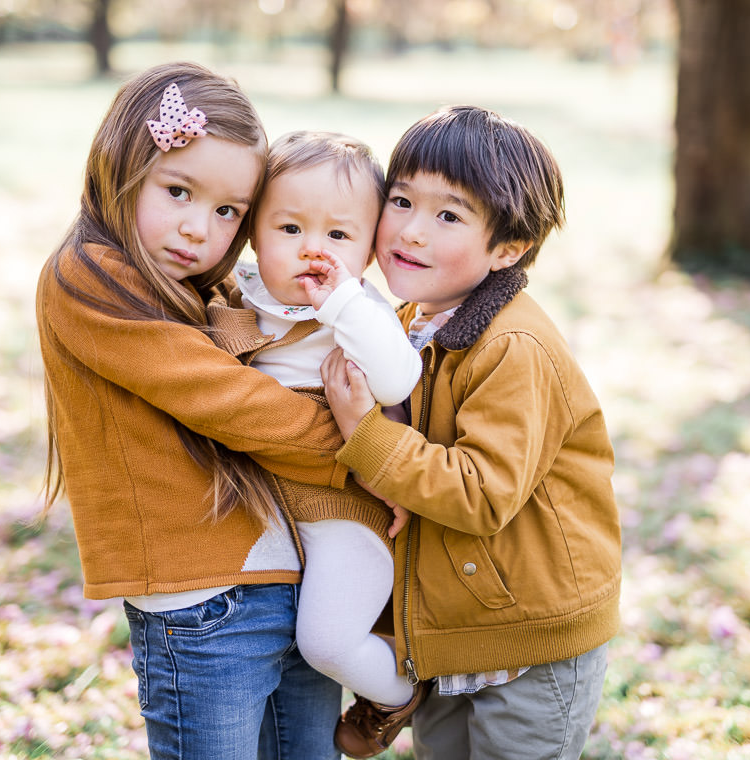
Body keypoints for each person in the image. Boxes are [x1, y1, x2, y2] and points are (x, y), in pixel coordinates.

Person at [35, 62, 347, 760]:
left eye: (228, 211)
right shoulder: (87, 275)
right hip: (199, 605)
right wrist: (369, 451)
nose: (198, 228)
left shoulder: (214, 291)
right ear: (123, 166)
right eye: (178, 191)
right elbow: (234, 405)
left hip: (288, 581)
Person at [321, 105, 622, 759]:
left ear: (508, 248)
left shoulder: (512, 346)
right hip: (455, 629)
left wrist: (365, 431)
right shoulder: (405, 322)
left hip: (532, 642)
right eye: (400, 200)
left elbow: (482, 493)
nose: (412, 231)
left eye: (448, 215)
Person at [205, 129, 425, 728]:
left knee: (324, 644)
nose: (313, 251)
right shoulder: (239, 295)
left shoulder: (358, 313)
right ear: (254, 233)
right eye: (290, 228)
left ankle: (399, 689)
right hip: (269, 506)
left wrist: (344, 305)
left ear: (370, 250)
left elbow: (397, 379)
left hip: (342, 512)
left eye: (339, 234)